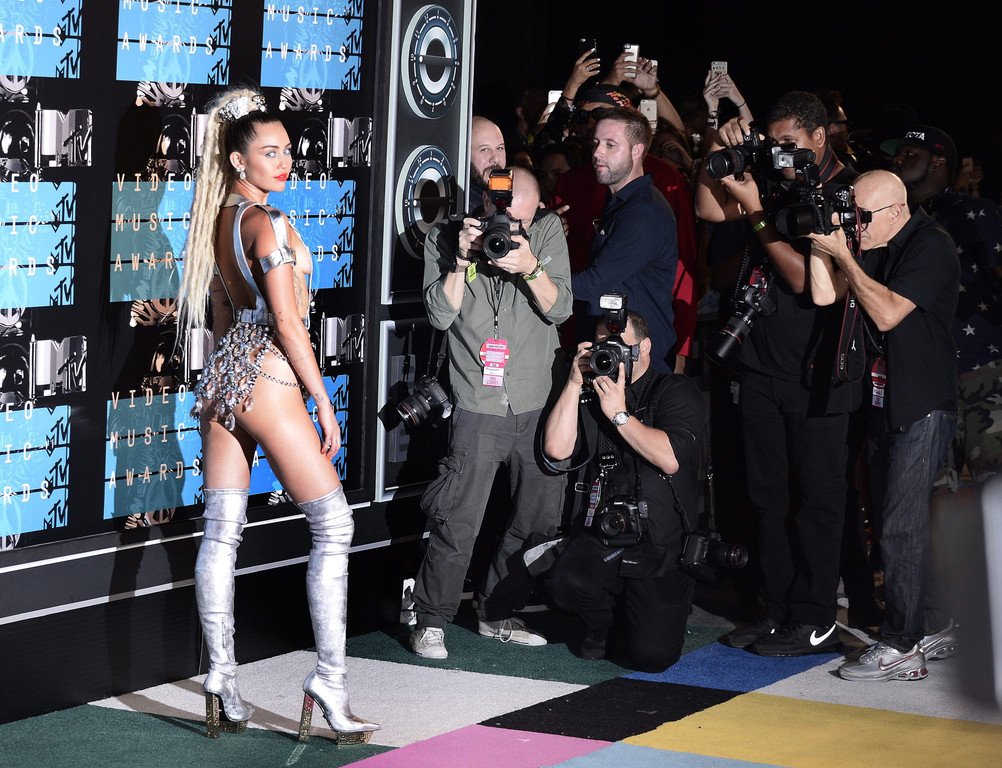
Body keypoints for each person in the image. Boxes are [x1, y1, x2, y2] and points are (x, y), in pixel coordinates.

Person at [176, 88, 378, 742]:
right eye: (270, 152)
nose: (285, 160)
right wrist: (321, 398)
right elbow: (289, 325)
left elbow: (222, 315)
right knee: (335, 525)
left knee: (221, 533)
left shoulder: (218, 218)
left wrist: (233, 380)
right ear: (239, 160)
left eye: (288, 150)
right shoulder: (267, 223)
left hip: (224, 382)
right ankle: (330, 682)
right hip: (266, 377)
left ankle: (221, 678)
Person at [695, 90, 858, 656]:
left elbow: (803, 280)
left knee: (815, 501)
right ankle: (777, 609)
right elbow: (707, 207)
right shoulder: (774, 178)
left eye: (790, 143)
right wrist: (717, 145)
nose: (780, 153)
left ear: (819, 137)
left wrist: (757, 213)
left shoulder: (844, 191)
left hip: (818, 371)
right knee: (766, 497)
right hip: (760, 364)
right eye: (774, 142)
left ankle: (815, 616)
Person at [409, 159, 573, 659]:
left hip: (535, 401)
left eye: (521, 219)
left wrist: (531, 267)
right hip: (477, 400)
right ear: (486, 201)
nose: (510, 227)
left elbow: (561, 308)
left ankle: (497, 612)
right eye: (504, 214)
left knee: (538, 520)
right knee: (458, 521)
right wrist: (461, 261)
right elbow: (440, 315)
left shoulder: (546, 233)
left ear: (537, 210)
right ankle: (430, 620)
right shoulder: (447, 236)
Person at [807, 170, 959, 681]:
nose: (857, 224)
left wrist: (845, 254)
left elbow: (889, 313)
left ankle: (901, 646)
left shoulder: (930, 245)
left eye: (863, 216)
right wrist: (821, 244)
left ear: (896, 212)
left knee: (899, 526)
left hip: (922, 403)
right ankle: (934, 623)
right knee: (899, 519)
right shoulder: (874, 240)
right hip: (882, 401)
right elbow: (824, 295)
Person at [543, 309, 705, 671]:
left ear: (644, 348)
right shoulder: (591, 391)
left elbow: (670, 459)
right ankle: (606, 625)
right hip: (604, 534)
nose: (611, 355)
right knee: (563, 583)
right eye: (603, 346)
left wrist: (619, 414)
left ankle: (643, 616)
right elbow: (556, 449)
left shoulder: (674, 389)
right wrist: (573, 383)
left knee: (651, 657)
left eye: (620, 346)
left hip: (660, 542)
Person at [883, 125, 1002, 492]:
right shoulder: (890, 225)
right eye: (897, 155)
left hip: (982, 375)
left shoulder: (976, 214)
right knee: (930, 506)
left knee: (995, 497)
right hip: (924, 387)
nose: (897, 161)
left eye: (909, 154)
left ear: (937, 163)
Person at [570, 106, 681, 374]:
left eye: (610, 145)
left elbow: (594, 283)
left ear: (636, 150)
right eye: (596, 143)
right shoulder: (619, 203)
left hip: (639, 365)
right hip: (615, 355)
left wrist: (534, 277)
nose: (597, 152)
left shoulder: (644, 212)